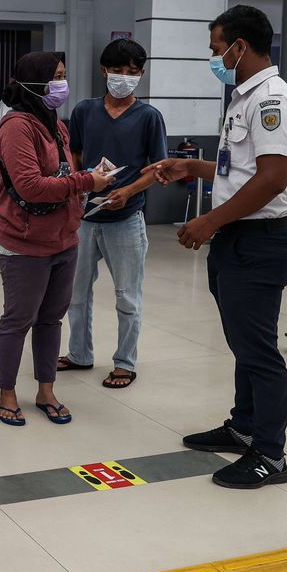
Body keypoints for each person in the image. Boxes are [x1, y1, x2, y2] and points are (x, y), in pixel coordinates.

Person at [145, 4, 287, 490]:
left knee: (258, 351)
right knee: (243, 344)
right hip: (240, 239)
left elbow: (273, 179)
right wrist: (193, 169)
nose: (214, 56)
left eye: (217, 48)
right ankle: (244, 426)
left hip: (259, 241)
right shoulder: (244, 98)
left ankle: (270, 456)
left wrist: (209, 221)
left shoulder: (272, 100)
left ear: (240, 45)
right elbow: (244, 172)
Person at [0, 51, 112, 426]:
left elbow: (63, 174)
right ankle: (7, 393)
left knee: (51, 319)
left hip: (64, 240)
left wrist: (91, 178)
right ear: (34, 82)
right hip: (24, 244)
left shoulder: (55, 124)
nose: (62, 84)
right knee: (18, 319)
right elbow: (29, 186)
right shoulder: (16, 127)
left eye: (64, 75)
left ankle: (46, 389)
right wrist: (85, 181)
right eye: (55, 76)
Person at [58, 39, 168, 389]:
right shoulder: (84, 111)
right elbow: (74, 156)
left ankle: (125, 362)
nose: (124, 78)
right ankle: (79, 353)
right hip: (86, 218)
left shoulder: (149, 117)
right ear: (103, 71)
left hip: (126, 218)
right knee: (76, 292)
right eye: (118, 71)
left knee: (127, 296)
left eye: (133, 73)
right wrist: (79, 188)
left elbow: (157, 169)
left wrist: (128, 192)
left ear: (141, 75)